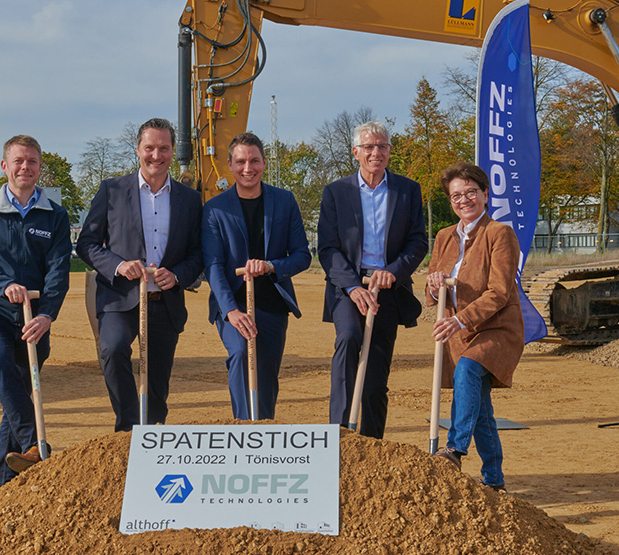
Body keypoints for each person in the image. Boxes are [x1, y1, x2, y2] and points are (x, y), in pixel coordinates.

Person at [0, 135, 71, 486]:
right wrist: (3, 284)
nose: (25, 167)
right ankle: (35, 444)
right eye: (18, 161)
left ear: (40, 167)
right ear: (4, 166)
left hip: (34, 321)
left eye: (32, 161)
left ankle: (5, 481)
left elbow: (58, 271)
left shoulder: (55, 216)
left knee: (16, 396)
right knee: (1, 364)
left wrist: (46, 315)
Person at [76, 118, 203, 431]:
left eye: (164, 148)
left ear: (172, 152)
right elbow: (87, 244)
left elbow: (199, 253)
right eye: (149, 148)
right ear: (137, 149)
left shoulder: (189, 199)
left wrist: (178, 275)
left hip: (165, 302)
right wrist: (118, 265)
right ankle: (128, 428)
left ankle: (152, 435)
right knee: (113, 349)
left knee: (157, 384)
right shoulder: (112, 191)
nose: (156, 155)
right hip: (120, 299)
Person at [317, 121, 427, 439]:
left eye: (382, 146)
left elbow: (418, 241)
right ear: (356, 152)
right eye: (368, 147)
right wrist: (353, 287)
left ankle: (372, 443)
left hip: (388, 289)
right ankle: (338, 434)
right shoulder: (336, 192)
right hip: (348, 288)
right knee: (349, 338)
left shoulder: (407, 190)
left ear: (390, 151)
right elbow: (327, 248)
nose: (375, 152)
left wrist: (394, 271)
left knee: (376, 374)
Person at [427, 161, 524, 492]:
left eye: (471, 192)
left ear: (485, 194)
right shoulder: (444, 237)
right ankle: (494, 482)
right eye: (456, 195)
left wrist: (459, 319)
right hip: (459, 335)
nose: (464, 200)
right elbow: (432, 290)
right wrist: (434, 285)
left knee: (468, 370)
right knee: (481, 409)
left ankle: (454, 450)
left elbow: (499, 292)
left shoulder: (500, 234)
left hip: (497, 329)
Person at [201, 132, 310, 420]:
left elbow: (302, 255)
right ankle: (243, 426)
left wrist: (271, 265)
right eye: (240, 162)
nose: (247, 168)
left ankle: (263, 429)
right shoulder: (215, 209)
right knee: (240, 354)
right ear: (229, 164)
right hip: (234, 303)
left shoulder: (285, 201)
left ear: (263, 163)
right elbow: (213, 265)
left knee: (266, 370)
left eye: (254, 161)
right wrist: (231, 311)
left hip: (273, 302)